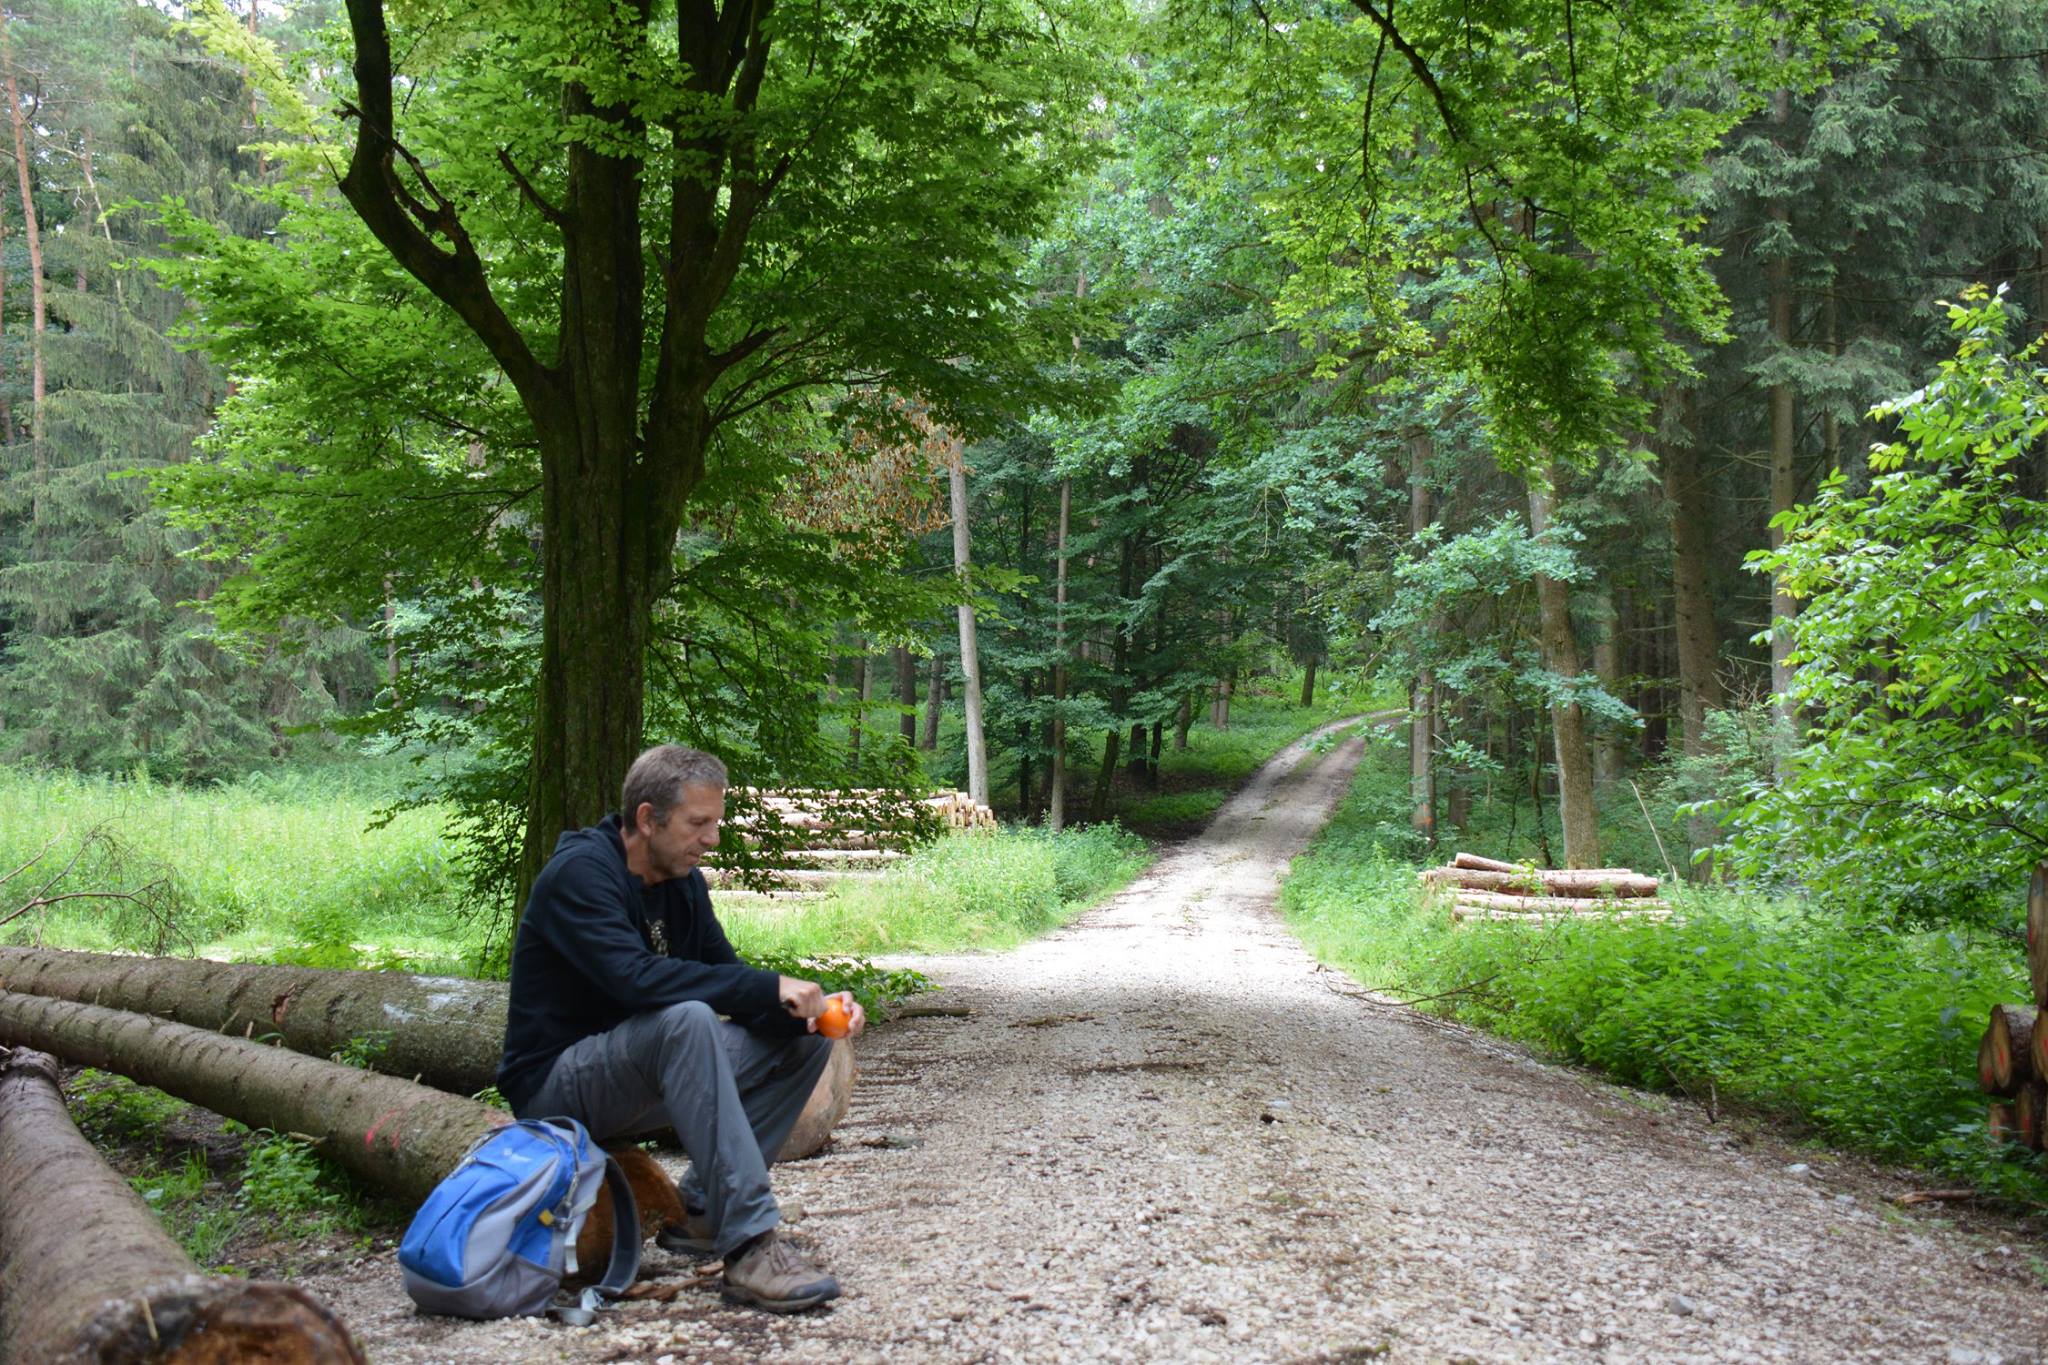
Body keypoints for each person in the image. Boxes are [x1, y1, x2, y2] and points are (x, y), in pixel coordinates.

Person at [496, 744, 865, 1313]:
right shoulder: (581, 874)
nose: (711, 839)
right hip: (557, 1087)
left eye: (714, 823)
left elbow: (727, 979)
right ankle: (750, 1244)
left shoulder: (682, 884)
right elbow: (635, 981)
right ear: (648, 819)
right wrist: (768, 986)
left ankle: (702, 1213)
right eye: (699, 823)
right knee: (686, 1018)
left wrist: (809, 1010)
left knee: (805, 1043)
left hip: (641, 1074)